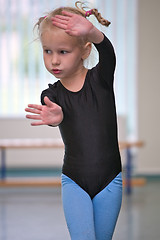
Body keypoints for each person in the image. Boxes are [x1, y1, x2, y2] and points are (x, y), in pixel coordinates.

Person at [25, 2, 122, 239]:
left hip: (110, 180)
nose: (54, 61)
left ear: (85, 51)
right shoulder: (52, 94)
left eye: (63, 52)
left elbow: (108, 53)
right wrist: (55, 118)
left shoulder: (100, 79)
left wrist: (93, 32)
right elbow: (51, 107)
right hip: (74, 181)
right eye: (48, 51)